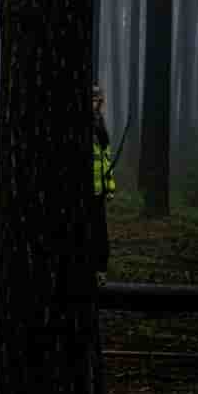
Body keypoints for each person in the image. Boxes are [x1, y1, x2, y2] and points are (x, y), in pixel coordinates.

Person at [91, 83, 116, 278]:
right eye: (92, 98)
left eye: (98, 99)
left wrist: (110, 187)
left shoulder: (100, 123)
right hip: (84, 191)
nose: (95, 102)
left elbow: (106, 159)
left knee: (100, 235)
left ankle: (100, 271)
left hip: (98, 191)